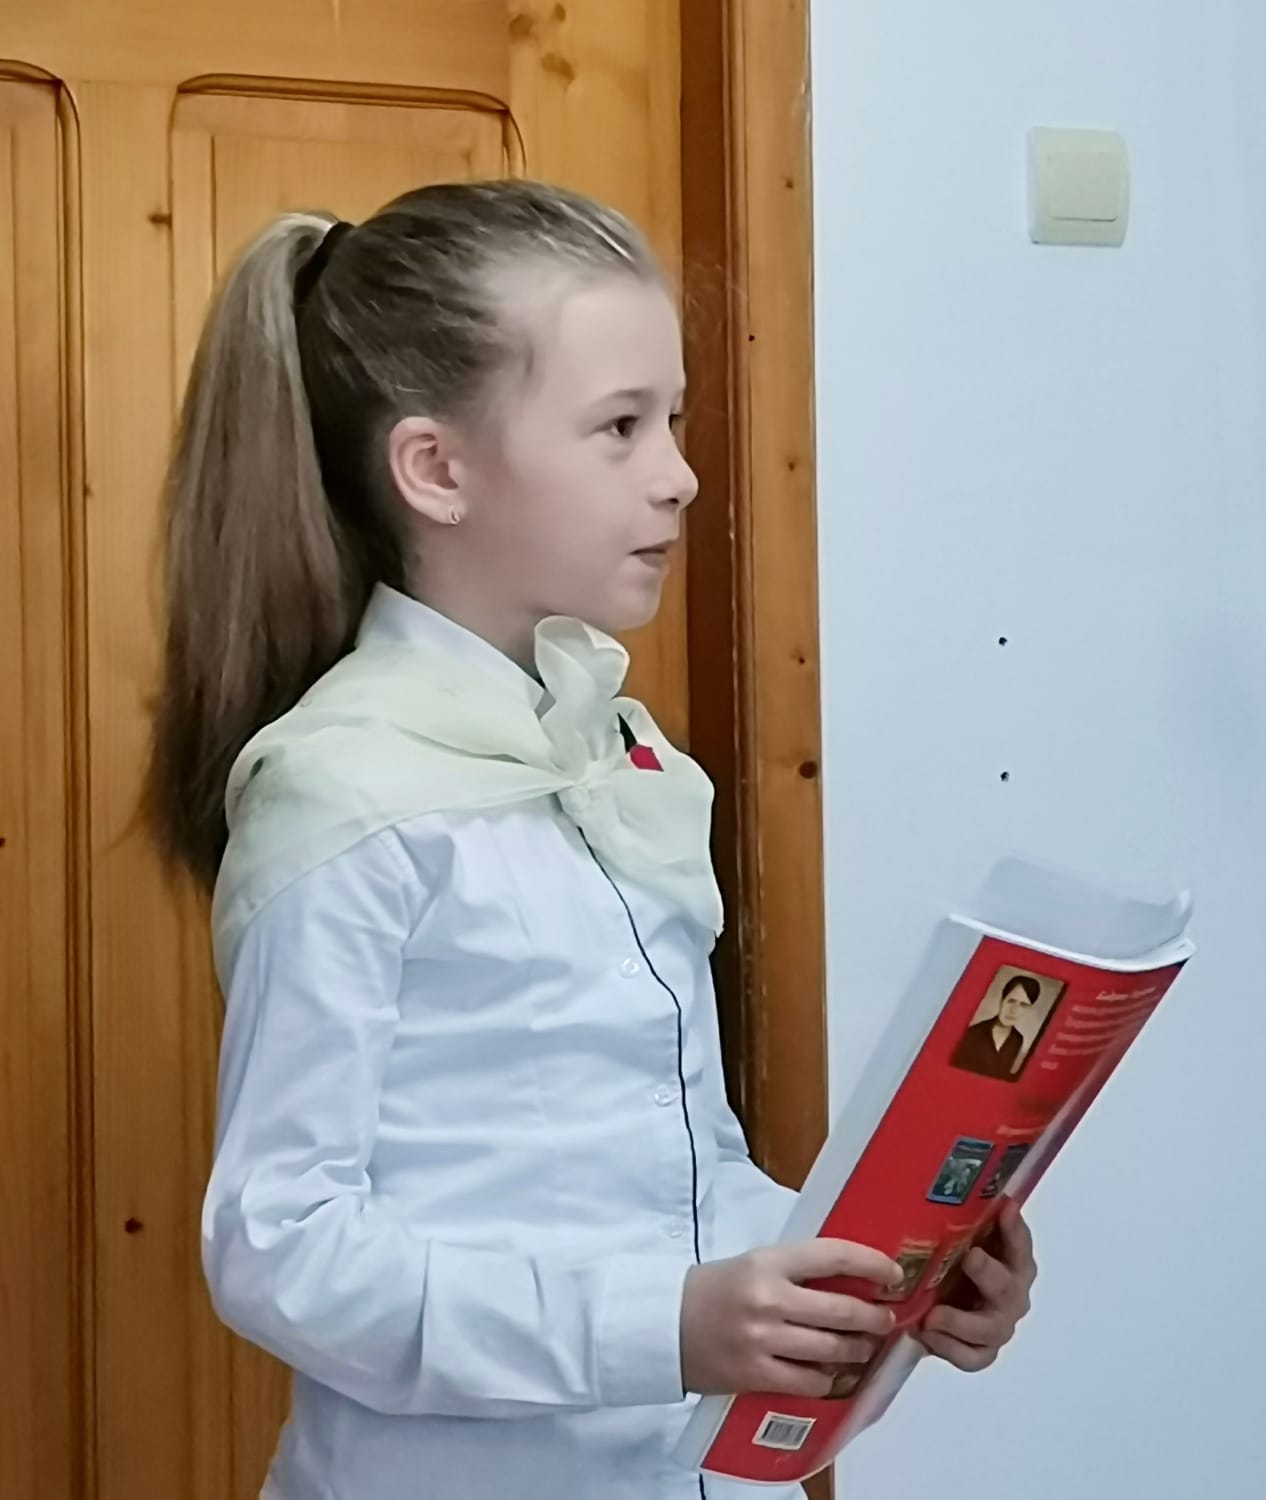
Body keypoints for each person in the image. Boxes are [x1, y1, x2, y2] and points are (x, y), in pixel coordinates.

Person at [146, 180, 1037, 1500]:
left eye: (673, 419)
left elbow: (674, 1170)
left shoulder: (619, 759)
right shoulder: (345, 791)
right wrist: (662, 1329)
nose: (678, 474)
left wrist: (882, 1276)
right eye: (620, 427)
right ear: (436, 470)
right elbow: (282, 1248)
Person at [951, 973, 1044, 1080]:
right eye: (1011, 1001)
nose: (1014, 1010)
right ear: (1002, 1000)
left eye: (1023, 1005)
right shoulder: (973, 1033)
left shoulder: (1017, 1039)